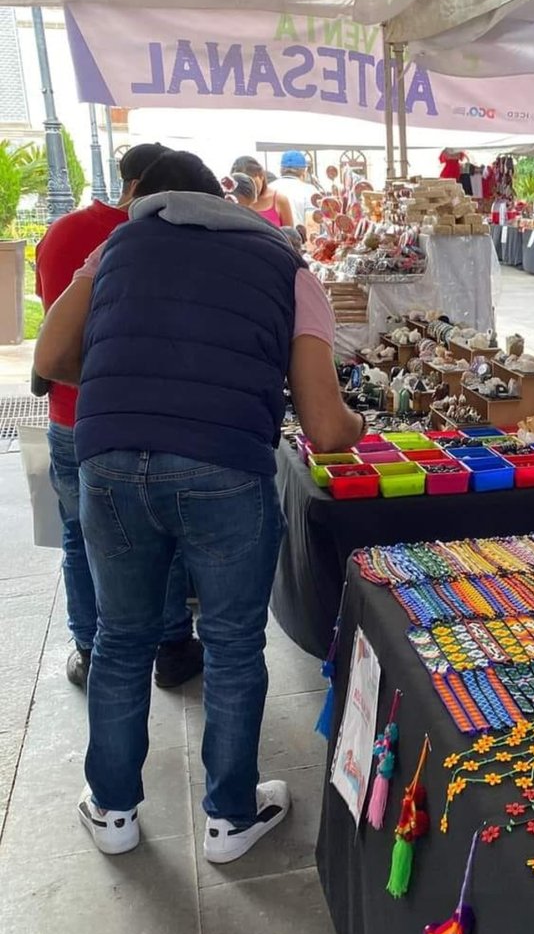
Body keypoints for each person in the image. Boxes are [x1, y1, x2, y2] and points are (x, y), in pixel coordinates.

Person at [34, 150, 365, 863]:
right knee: (233, 644)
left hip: (112, 457)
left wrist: (131, 382)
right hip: (226, 467)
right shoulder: (287, 264)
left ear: (148, 199)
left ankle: (114, 809)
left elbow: (50, 353)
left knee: (121, 638)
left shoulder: (117, 243)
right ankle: (229, 820)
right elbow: (326, 426)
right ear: (233, 201)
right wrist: (359, 426)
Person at [34, 143, 203, 691]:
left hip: (71, 414)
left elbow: (52, 329)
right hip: (149, 411)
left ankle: (88, 648)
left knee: (79, 537)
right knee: (165, 529)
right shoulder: (164, 237)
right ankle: (173, 644)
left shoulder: (60, 234)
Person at [229, 156, 293, 228]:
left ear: (261, 176)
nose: (251, 191)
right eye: (244, 188)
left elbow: (290, 234)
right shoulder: (233, 201)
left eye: (253, 185)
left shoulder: (280, 199)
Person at [274, 149, 317, 225]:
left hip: (273, 236)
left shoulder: (269, 188)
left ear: (281, 169)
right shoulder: (310, 191)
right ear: (304, 171)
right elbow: (312, 225)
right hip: (299, 236)